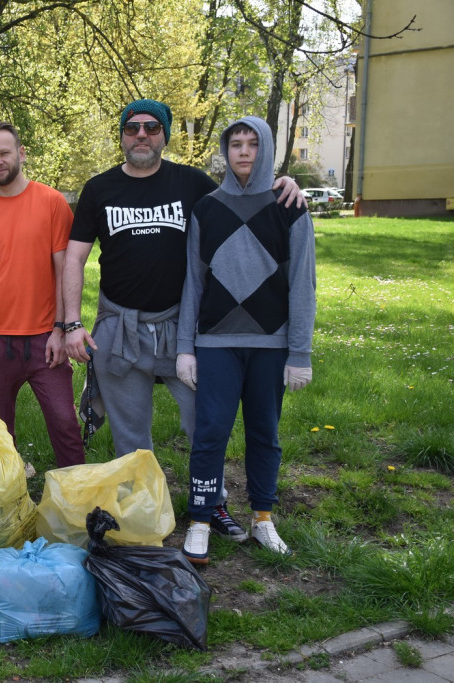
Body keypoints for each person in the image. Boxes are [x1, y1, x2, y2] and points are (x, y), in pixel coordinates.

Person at [63, 98, 305, 543]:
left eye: (152, 128)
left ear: (165, 135)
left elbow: (243, 193)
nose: (141, 135)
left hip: (184, 329)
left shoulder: (192, 183)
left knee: (205, 423)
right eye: (132, 126)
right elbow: (75, 258)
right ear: (121, 133)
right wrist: (71, 323)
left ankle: (212, 505)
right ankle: (142, 515)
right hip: (121, 326)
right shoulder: (99, 189)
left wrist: (283, 182)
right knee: (131, 433)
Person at [176, 116, 316, 565]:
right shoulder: (206, 209)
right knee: (210, 433)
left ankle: (262, 518)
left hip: (272, 346)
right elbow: (193, 284)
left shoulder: (289, 206)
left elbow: (302, 283)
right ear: (225, 149)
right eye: (235, 143)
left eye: (253, 144)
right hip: (215, 344)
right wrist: (184, 347)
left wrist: (300, 353)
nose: (243, 152)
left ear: (266, 148)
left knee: (265, 434)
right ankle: (199, 520)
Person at [0, 122, 85, 468]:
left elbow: (64, 271)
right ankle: (6, 508)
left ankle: (79, 504)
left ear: (21, 154)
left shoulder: (52, 202)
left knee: (65, 424)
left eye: (4, 153)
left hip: (45, 339)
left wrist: (61, 328)